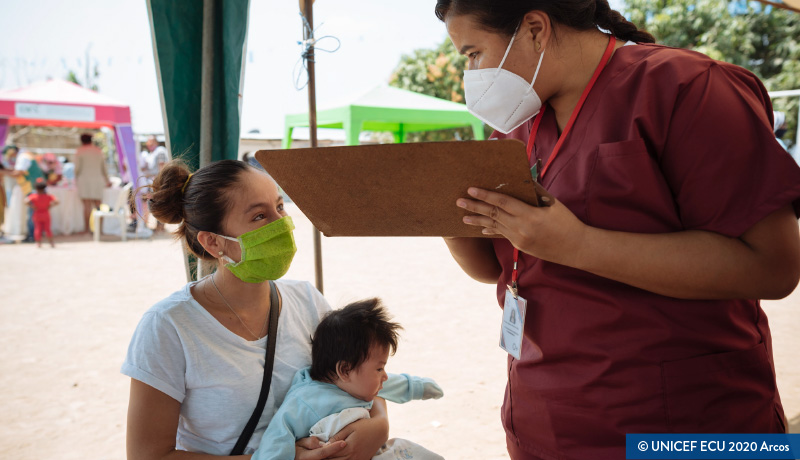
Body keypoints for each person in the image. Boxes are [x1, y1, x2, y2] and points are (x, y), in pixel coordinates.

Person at [435, 1, 800, 458]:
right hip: (545, 422)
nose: (470, 75)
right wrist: (440, 213)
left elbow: (774, 267)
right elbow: (497, 269)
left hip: (678, 424)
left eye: (472, 54)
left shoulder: (687, 87)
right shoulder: (519, 128)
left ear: (534, 29)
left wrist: (580, 245)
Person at [122, 159, 389, 459]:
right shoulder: (168, 327)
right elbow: (148, 455)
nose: (281, 224)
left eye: (280, 207)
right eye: (260, 216)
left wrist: (378, 424)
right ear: (213, 242)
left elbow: (365, 373)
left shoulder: (307, 301)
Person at [253, 298, 444, 460]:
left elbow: (392, 383)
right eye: (380, 368)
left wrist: (418, 387)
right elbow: (277, 436)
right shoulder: (305, 401)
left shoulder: (353, 383)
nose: (384, 375)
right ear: (344, 369)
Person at [74, 133, 110, 233]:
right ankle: (100, 230)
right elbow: (104, 168)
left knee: (86, 206)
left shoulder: (79, 151)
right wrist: (107, 180)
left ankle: (87, 229)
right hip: (98, 181)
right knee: (98, 205)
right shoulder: (99, 151)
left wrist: (75, 178)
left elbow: (77, 169)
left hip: (84, 181)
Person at [24, 178, 58, 248]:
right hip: (46, 214)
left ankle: (38, 243)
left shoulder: (33, 196)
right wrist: (50, 205)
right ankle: (51, 242)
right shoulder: (48, 196)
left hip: (37, 214)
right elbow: (57, 201)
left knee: (37, 229)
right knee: (48, 229)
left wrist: (32, 206)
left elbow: (25, 201)